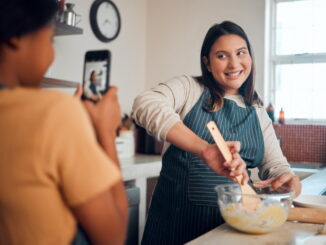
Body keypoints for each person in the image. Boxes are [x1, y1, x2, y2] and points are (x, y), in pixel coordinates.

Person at [132, 21, 301, 245]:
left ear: (250, 57)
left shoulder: (257, 109)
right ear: (208, 63)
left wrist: (288, 181)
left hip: (233, 231)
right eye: (222, 56)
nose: (234, 64)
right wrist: (205, 149)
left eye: (241, 53)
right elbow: (145, 104)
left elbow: (276, 166)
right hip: (176, 228)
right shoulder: (190, 89)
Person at [0, 0, 128, 244]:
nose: (52, 53)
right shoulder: (54, 113)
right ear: (15, 35)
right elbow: (113, 237)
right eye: (50, 39)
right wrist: (106, 132)